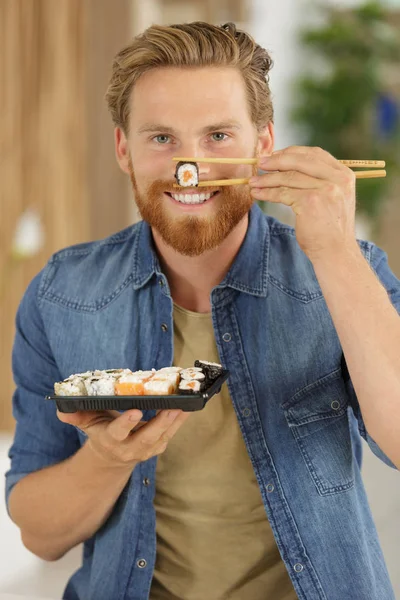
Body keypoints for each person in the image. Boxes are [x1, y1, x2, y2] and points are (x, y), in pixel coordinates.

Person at [5, 21, 400, 600]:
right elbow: (39, 536)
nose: (190, 164)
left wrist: (334, 250)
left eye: (218, 135)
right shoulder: (62, 293)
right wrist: (109, 459)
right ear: (124, 150)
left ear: (263, 144)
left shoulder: (347, 266)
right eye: (161, 138)